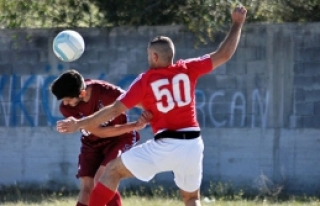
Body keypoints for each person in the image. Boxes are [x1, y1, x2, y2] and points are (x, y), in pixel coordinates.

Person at [56, 6, 247, 206]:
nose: (148, 59)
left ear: (155, 57)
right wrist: (237, 24)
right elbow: (223, 54)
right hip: (192, 144)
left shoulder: (145, 81)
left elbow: (113, 110)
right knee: (191, 198)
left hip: (166, 145)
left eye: (149, 55)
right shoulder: (188, 68)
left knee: (112, 171)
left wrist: (79, 124)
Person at [50, 69, 151, 206]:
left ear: (82, 93)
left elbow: (136, 101)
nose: (65, 104)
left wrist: (144, 118)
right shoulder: (67, 108)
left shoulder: (108, 93)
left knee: (101, 179)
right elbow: (98, 132)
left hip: (120, 137)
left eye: (68, 99)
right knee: (86, 189)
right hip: (92, 143)